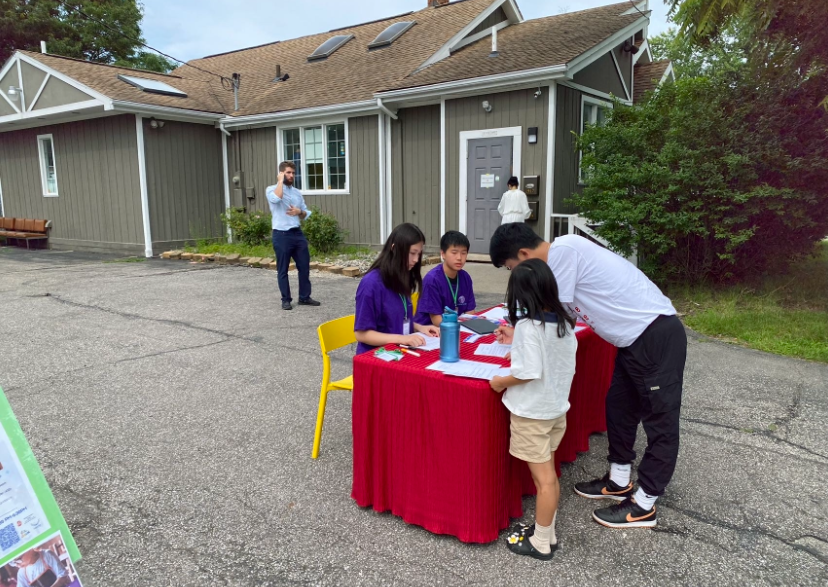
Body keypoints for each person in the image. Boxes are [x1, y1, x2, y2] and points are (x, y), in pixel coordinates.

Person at [489, 223, 687, 529]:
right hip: (630, 341)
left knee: (660, 421)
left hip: (654, 335)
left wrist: (523, 334)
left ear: (524, 254)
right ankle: (619, 480)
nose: (515, 273)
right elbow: (554, 318)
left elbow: (554, 310)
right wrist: (520, 335)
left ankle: (645, 504)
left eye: (512, 266)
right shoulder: (561, 256)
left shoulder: (564, 252)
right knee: (619, 410)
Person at [489, 258, 577, 560]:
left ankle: (540, 542)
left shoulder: (528, 325)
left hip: (531, 415)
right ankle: (546, 532)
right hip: (555, 411)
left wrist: (500, 382)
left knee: (545, 481)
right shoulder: (565, 323)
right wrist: (518, 339)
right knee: (550, 476)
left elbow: (527, 371)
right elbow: (551, 356)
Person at [354, 223, 439, 354]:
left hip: (400, 350)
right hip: (376, 357)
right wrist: (402, 338)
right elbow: (361, 334)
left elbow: (396, 318)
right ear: (394, 249)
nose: (416, 259)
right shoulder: (371, 283)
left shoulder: (401, 275)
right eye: (412, 253)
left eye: (419, 254)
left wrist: (419, 328)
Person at [265, 161, 321, 311]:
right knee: (283, 269)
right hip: (281, 235)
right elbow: (276, 199)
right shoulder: (271, 189)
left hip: (297, 233)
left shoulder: (297, 193)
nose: (291, 175)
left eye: (293, 173)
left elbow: (305, 213)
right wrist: (280, 182)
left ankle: (304, 297)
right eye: (288, 173)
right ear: (282, 173)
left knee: (304, 267)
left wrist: (299, 212)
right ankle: (286, 299)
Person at [413, 230, 476, 326]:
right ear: (443, 254)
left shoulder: (465, 277)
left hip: (457, 328)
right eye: (454, 253)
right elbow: (437, 320)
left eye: (463, 253)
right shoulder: (432, 280)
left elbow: (470, 312)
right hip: (430, 331)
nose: (459, 257)